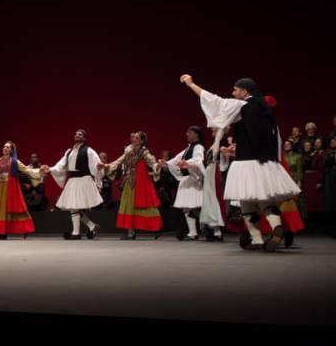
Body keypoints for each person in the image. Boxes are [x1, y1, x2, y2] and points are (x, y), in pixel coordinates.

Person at [179, 74, 300, 252]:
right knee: (263, 200)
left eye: (235, 90)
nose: (233, 93)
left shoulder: (242, 105)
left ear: (244, 91)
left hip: (246, 163)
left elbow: (213, 100)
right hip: (264, 162)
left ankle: (257, 239)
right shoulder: (264, 108)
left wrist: (191, 84)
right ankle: (275, 227)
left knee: (246, 202)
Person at [0, 141, 49, 240]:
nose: (5, 148)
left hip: (10, 189)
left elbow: (27, 170)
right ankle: (1, 232)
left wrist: (40, 171)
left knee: (13, 209)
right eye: (4, 147)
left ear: (11, 150)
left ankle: (24, 229)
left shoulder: (14, 162)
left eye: (7, 147)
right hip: (0, 189)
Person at [100, 131, 162, 240]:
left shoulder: (144, 152)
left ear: (142, 141)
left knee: (147, 206)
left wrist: (158, 166)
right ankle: (130, 232)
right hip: (129, 182)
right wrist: (107, 166)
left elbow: (152, 163)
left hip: (141, 183)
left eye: (137, 138)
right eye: (134, 138)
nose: (134, 139)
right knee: (128, 206)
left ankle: (156, 228)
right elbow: (118, 161)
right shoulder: (129, 152)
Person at [48, 129, 103, 240]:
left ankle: (77, 232)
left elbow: (96, 164)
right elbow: (61, 165)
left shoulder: (89, 151)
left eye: (80, 134)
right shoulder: (69, 151)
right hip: (73, 181)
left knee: (74, 207)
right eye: (76, 134)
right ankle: (91, 226)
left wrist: (98, 170)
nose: (77, 135)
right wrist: (49, 169)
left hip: (84, 180)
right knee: (73, 207)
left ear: (84, 138)